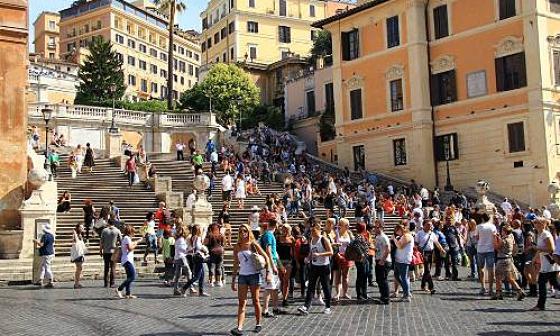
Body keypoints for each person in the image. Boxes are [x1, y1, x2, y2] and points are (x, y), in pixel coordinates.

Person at [230, 224, 272, 336]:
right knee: (241, 303)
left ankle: (258, 324)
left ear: (248, 232)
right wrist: (233, 280)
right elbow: (235, 264)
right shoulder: (237, 246)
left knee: (256, 301)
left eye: (245, 230)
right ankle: (239, 327)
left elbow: (266, 257)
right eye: (240, 231)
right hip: (242, 276)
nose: (242, 233)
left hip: (254, 275)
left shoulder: (253, 244)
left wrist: (268, 273)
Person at [298, 218, 334, 315]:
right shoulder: (312, 240)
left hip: (324, 266)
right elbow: (311, 251)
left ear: (317, 230)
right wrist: (308, 258)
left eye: (313, 231)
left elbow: (331, 252)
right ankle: (306, 306)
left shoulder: (323, 239)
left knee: (326, 287)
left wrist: (320, 255)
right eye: (310, 231)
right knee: (310, 287)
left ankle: (328, 306)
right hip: (314, 266)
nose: (311, 233)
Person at [530, 218, 560, 311]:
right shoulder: (540, 234)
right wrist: (534, 258)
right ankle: (540, 305)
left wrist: (536, 247)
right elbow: (540, 250)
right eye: (535, 223)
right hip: (546, 262)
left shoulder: (546, 234)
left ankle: (540, 305)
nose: (535, 225)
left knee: (542, 283)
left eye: (537, 223)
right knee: (555, 283)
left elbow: (551, 249)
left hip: (549, 263)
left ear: (543, 224)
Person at [493, 225, 525, 301]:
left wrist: (494, 238)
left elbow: (496, 247)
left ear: (504, 231)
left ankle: (499, 293)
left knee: (498, 276)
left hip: (502, 260)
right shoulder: (511, 237)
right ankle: (519, 291)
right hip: (509, 259)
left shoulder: (504, 240)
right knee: (510, 278)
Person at [260, 219, 282, 317]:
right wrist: (273, 266)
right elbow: (268, 251)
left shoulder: (268, 234)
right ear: (276, 226)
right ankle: (265, 310)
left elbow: (273, 252)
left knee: (275, 288)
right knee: (269, 287)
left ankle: (275, 308)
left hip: (272, 262)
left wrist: (279, 264)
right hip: (269, 263)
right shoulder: (269, 235)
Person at [181, 225, 210, 297]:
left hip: (196, 257)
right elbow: (198, 246)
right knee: (197, 276)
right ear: (197, 230)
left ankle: (201, 291)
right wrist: (204, 250)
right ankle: (184, 288)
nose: (200, 230)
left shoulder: (192, 237)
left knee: (202, 275)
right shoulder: (197, 237)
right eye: (199, 229)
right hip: (198, 257)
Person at [116, 225, 143, 299]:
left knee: (129, 277)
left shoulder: (126, 238)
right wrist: (137, 243)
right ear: (130, 232)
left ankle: (128, 294)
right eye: (133, 232)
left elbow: (130, 245)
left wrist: (137, 241)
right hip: (127, 260)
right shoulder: (127, 238)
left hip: (127, 259)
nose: (134, 234)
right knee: (133, 276)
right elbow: (130, 248)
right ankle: (119, 289)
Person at [476, 212, 497, 296]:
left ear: (482, 219)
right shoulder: (493, 226)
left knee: (481, 268)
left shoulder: (479, 227)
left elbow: (477, 237)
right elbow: (495, 237)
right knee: (491, 269)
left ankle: (483, 287)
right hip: (490, 249)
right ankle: (491, 289)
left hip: (480, 249)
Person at [415, 219, 439, 295]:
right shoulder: (419, 233)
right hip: (423, 253)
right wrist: (419, 251)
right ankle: (431, 287)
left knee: (427, 271)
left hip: (431, 253)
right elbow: (415, 243)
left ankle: (423, 285)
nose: (430, 226)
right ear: (424, 225)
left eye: (431, 225)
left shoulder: (432, 234)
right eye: (428, 224)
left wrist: (442, 250)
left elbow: (436, 243)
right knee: (428, 270)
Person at [333, 218, 353, 301]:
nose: (348, 226)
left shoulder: (349, 233)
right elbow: (333, 245)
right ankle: (337, 293)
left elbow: (352, 244)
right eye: (346, 225)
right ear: (341, 225)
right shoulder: (336, 233)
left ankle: (345, 293)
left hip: (347, 256)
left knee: (345, 276)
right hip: (338, 255)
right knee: (337, 275)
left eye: (348, 225)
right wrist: (337, 254)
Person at [393, 224, 414, 302]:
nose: (396, 232)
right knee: (397, 276)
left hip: (404, 260)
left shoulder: (407, 236)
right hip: (399, 259)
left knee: (403, 277)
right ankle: (407, 291)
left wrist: (394, 239)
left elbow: (400, 246)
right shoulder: (403, 236)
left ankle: (407, 295)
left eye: (397, 231)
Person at [276, 224, 295, 307]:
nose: (285, 231)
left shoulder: (292, 239)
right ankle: (283, 295)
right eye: (283, 229)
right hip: (280, 261)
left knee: (286, 280)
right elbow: (275, 251)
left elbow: (294, 251)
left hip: (288, 261)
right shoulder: (278, 238)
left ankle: (285, 299)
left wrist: (295, 261)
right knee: (281, 280)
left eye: (286, 229)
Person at [100, 219, 121, 288]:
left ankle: (106, 283)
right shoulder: (117, 230)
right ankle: (112, 283)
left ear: (108, 223)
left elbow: (101, 241)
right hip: (114, 251)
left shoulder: (104, 230)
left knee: (106, 267)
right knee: (113, 267)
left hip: (106, 251)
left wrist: (100, 250)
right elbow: (121, 240)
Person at [374, 221, 391, 304]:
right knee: (379, 279)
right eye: (375, 227)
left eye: (376, 227)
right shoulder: (377, 237)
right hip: (378, 259)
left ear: (381, 227)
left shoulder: (384, 237)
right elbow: (379, 249)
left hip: (384, 261)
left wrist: (383, 260)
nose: (375, 229)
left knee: (383, 280)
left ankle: (386, 298)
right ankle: (382, 296)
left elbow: (388, 249)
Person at [173, 226, 193, 296]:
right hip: (182, 258)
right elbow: (183, 249)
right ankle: (191, 288)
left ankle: (175, 289)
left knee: (178, 274)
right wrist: (190, 249)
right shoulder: (181, 239)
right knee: (189, 273)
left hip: (177, 258)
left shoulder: (178, 239)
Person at [34, 224, 55, 288]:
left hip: (45, 253)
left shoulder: (44, 236)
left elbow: (41, 244)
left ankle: (50, 281)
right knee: (42, 267)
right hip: (50, 252)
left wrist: (35, 241)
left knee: (47, 267)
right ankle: (40, 280)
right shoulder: (51, 236)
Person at [71, 224, 86, 289]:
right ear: (78, 228)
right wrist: (74, 232)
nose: (83, 228)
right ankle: (76, 283)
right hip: (78, 254)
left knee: (79, 269)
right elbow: (75, 241)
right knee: (79, 268)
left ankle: (77, 282)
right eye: (81, 227)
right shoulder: (76, 235)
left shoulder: (80, 235)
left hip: (80, 254)